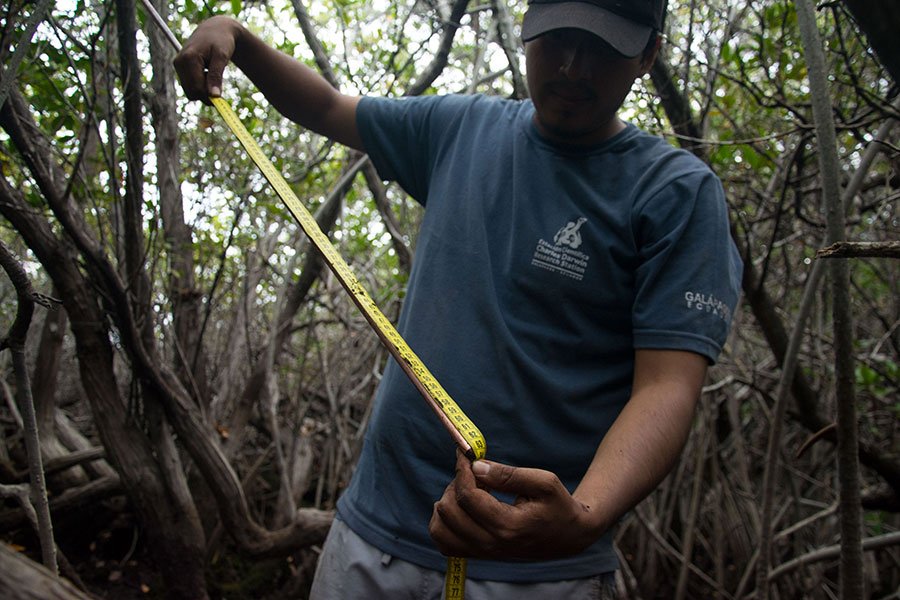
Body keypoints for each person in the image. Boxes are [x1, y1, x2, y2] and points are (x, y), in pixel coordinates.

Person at [175, 0, 743, 597]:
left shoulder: (675, 193)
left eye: (603, 49)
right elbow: (324, 105)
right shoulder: (459, 129)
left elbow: (667, 387)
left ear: (648, 55)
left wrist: (585, 517)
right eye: (558, 41)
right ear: (527, 32)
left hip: (537, 570)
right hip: (371, 540)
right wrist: (235, 36)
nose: (574, 68)